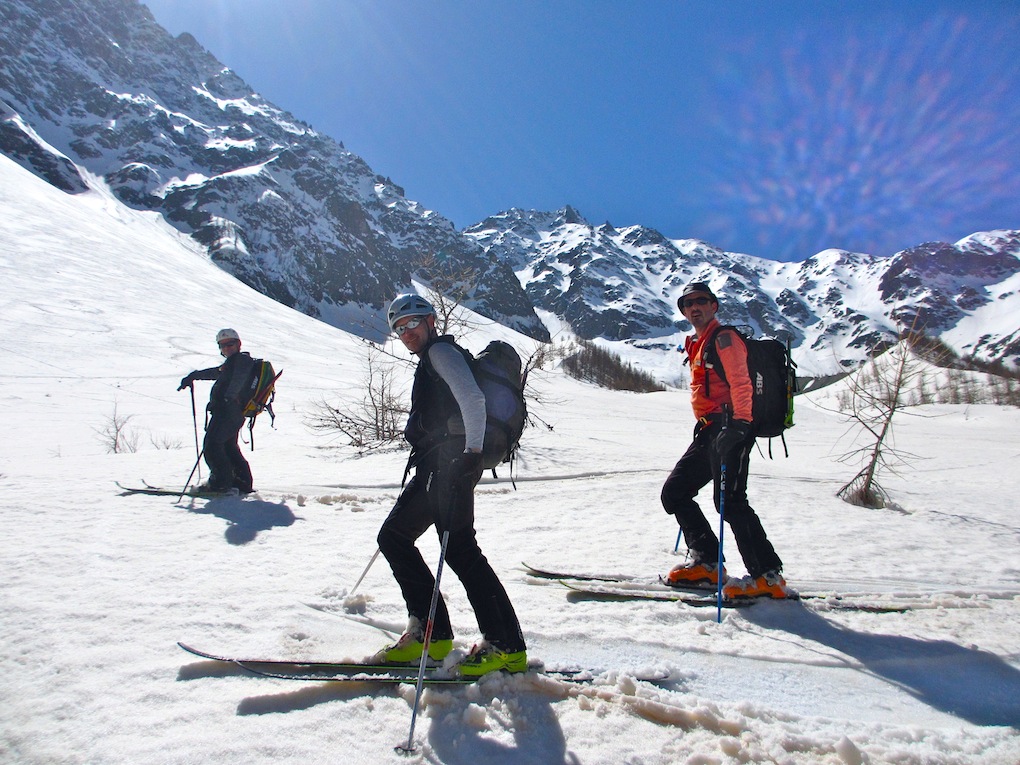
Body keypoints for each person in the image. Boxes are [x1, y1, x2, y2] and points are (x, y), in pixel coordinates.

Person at [374, 293, 527, 676]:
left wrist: (471, 455)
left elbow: (473, 399)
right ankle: (437, 633)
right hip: (439, 466)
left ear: (430, 321)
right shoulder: (433, 357)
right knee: (404, 538)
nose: (406, 332)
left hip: (450, 465)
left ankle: (502, 645)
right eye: (399, 327)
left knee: (454, 549)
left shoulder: (441, 353)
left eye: (413, 323)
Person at [661, 283, 788, 599]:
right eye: (688, 303)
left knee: (730, 502)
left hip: (731, 429)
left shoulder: (725, 339)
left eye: (701, 301)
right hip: (710, 431)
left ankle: (767, 577)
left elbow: (742, 383)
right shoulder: (698, 342)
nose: (694, 307)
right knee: (675, 492)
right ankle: (707, 563)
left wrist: (739, 427)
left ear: (714, 306)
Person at [178, 328, 256, 494]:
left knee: (212, 446)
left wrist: (228, 399)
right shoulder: (234, 362)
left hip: (228, 412)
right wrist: (194, 376)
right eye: (222, 345)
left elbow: (238, 380)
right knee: (228, 446)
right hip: (232, 412)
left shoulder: (241, 361)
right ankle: (241, 482)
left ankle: (220, 483)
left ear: (238, 344)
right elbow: (216, 373)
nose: (226, 348)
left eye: (230, 344)